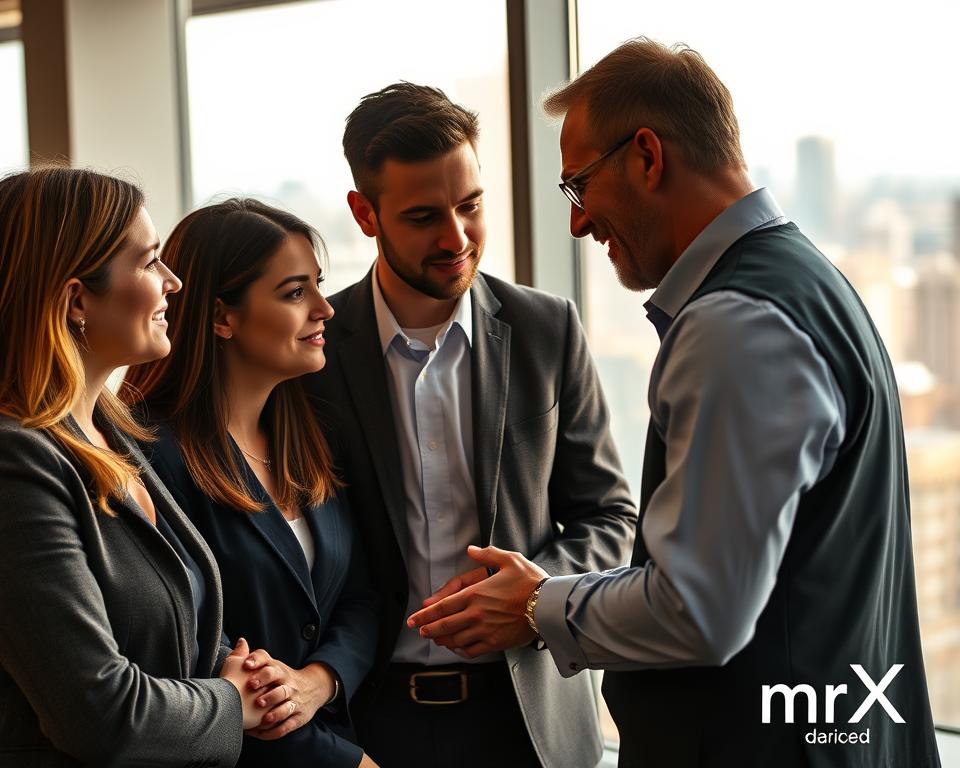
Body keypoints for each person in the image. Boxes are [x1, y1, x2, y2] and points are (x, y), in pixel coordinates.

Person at [408, 38, 941, 768]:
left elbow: (698, 610)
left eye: (578, 186)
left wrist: (536, 605)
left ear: (648, 156)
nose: (577, 222)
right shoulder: (807, 281)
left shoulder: (735, 325)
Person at [304, 82, 638, 768]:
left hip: (531, 720)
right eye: (424, 215)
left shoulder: (548, 330)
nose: (456, 238)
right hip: (368, 724)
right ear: (365, 213)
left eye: (470, 206)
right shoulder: (315, 356)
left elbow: (610, 517)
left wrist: (533, 597)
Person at [0, 166, 295, 767]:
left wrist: (247, 677)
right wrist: (231, 702)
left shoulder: (115, 434)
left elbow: (179, 635)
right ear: (77, 298)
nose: (175, 282)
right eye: (149, 262)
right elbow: (101, 714)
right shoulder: (17, 462)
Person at [123, 198, 380, 768]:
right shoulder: (150, 458)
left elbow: (361, 599)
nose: (324, 309)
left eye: (318, 285)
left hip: (341, 732)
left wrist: (320, 680)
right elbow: (193, 653)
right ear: (221, 317)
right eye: (294, 293)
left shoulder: (307, 438)